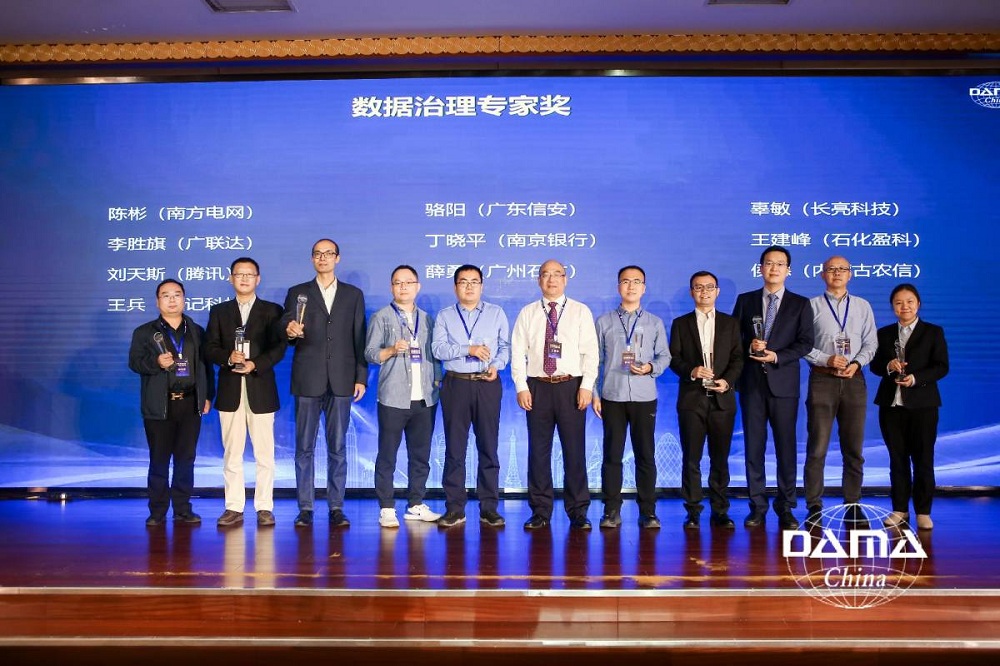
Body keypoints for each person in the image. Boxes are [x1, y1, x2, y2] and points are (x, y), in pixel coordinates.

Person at [281, 239, 367, 528]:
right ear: (312, 259)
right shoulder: (298, 293)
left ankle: (336, 507)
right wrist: (289, 330)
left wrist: (360, 377)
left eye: (328, 254)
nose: (323, 258)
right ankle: (305, 507)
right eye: (317, 254)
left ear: (337, 258)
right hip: (308, 378)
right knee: (304, 448)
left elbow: (359, 337)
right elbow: (285, 325)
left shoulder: (353, 295)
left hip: (342, 379)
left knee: (338, 448)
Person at [511, 259, 599, 530]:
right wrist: (521, 386)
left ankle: (578, 511)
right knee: (538, 452)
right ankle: (540, 511)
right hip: (537, 387)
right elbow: (517, 352)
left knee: (574, 451)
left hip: (571, 386)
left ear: (565, 279)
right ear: (539, 280)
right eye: (546, 275)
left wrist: (587, 386)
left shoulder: (580, 311)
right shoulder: (528, 312)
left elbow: (591, 352)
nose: (551, 280)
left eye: (557, 274)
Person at [732, 246, 814, 530]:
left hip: (784, 384)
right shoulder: (745, 301)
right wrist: (749, 346)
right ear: (761, 268)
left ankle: (786, 506)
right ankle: (757, 506)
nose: (774, 268)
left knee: (785, 449)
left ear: (788, 270)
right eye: (769, 263)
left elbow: (806, 343)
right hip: (752, 384)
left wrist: (777, 356)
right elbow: (733, 339)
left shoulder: (800, 304)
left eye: (780, 264)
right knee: (753, 448)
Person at [205, 257, 287, 528]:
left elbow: (279, 348)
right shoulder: (219, 311)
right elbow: (209, 348)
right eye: (239, 274)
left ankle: (264, 507)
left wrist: (256, 363)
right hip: (230, 389)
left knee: (265, 455)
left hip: (260, 387)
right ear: (231, 278)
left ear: (258, 279)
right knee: (232, 454)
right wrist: (228, 357)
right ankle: (233, 507)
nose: (244, 279)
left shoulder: (272, 311)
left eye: (249, 274)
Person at [128, 278, 213, 526]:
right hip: (160, 405)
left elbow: (207, 367)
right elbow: (134, 363)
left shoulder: (197, 331)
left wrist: (208, 396)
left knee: (186, 459)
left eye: (177, 294)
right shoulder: (144, 332)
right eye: (166, 295)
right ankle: (157, 511)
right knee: (159, 460)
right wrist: (156, 363)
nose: (172, 299)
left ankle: (183, 509)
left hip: (190, 403)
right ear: (158, 302)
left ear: (184, 299)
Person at [431, 265, 510, 528]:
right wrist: (469, 349)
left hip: (487, 384)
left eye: (474, 281)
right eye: (463, 282)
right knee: (455, 448)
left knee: (488, 447)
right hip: (456, 384)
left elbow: (505, 347)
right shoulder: (445, 316)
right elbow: (438, 349)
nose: (469, 286)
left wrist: (496, 365)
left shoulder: (496, 313)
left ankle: (489, 508)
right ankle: (455, 508)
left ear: (482, 286)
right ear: (455, 287)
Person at [592, 265, 670, 529]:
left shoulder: (654, 322)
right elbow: (595, 361)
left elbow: (665, 356)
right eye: (626, 281)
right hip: (612, 395)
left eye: (637, 281)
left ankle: (648, 511)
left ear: (644, 288)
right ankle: (611, 510)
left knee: (645, 455)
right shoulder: (603, 321)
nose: (631, 286)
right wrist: (595, 393)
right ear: (618, 287)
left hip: (644, 396)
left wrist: (650, 367)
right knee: (612, 456)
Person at [365, 265, 443, 528]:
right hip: (394, 397)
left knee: (420, 455)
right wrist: (390, 350)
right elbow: (370, 353)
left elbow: (434, 355)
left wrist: (437, 380)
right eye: (398, 283)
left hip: (425, 398)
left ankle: (415, 504)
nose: (403, 287)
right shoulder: (381, 317)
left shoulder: (427, 319)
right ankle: (387, 507)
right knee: (387, 455)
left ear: (417, 286)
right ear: (391, 287)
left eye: (408, 282)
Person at [802, 256, 877, 524]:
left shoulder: (862, 306)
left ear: (850, 274)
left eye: (842, 269)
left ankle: (853, 504)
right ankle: (814, 505)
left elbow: (871, 343)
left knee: (853, 448)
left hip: (854, 380)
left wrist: (856, 363)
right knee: (817, 447)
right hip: (822, 379)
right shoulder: (810, 306)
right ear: (822, 275)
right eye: (831, 269)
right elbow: (803, 344)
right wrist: (826, 359)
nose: (837, 273)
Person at [669, 271, 743, 529]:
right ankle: (692, 511)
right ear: (692, 292)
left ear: (717, 291)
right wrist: (692, 370)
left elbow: (738, 358)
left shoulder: (731, 323)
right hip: (692, 400)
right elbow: (674, 358)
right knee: (691, 458)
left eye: (709, 287)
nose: (704, 292)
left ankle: (720, 510)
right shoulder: (681, 324)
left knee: (720, 459)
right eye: (698, 287)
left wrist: (727, 381)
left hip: (722, 400)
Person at [872, 283, 948, 530]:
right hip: (891, 405)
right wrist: (888, 366)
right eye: (898, 303)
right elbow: (874, 365)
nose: (904, 306)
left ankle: (923, 511)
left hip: (923, 406)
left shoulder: (933, 332)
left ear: (918, 304)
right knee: (897, 459)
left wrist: (916, 378)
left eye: (909, 302)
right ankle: (900, 509)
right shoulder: (884, 333)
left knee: (923, 459)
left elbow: (941, 366)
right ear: (893, 307)